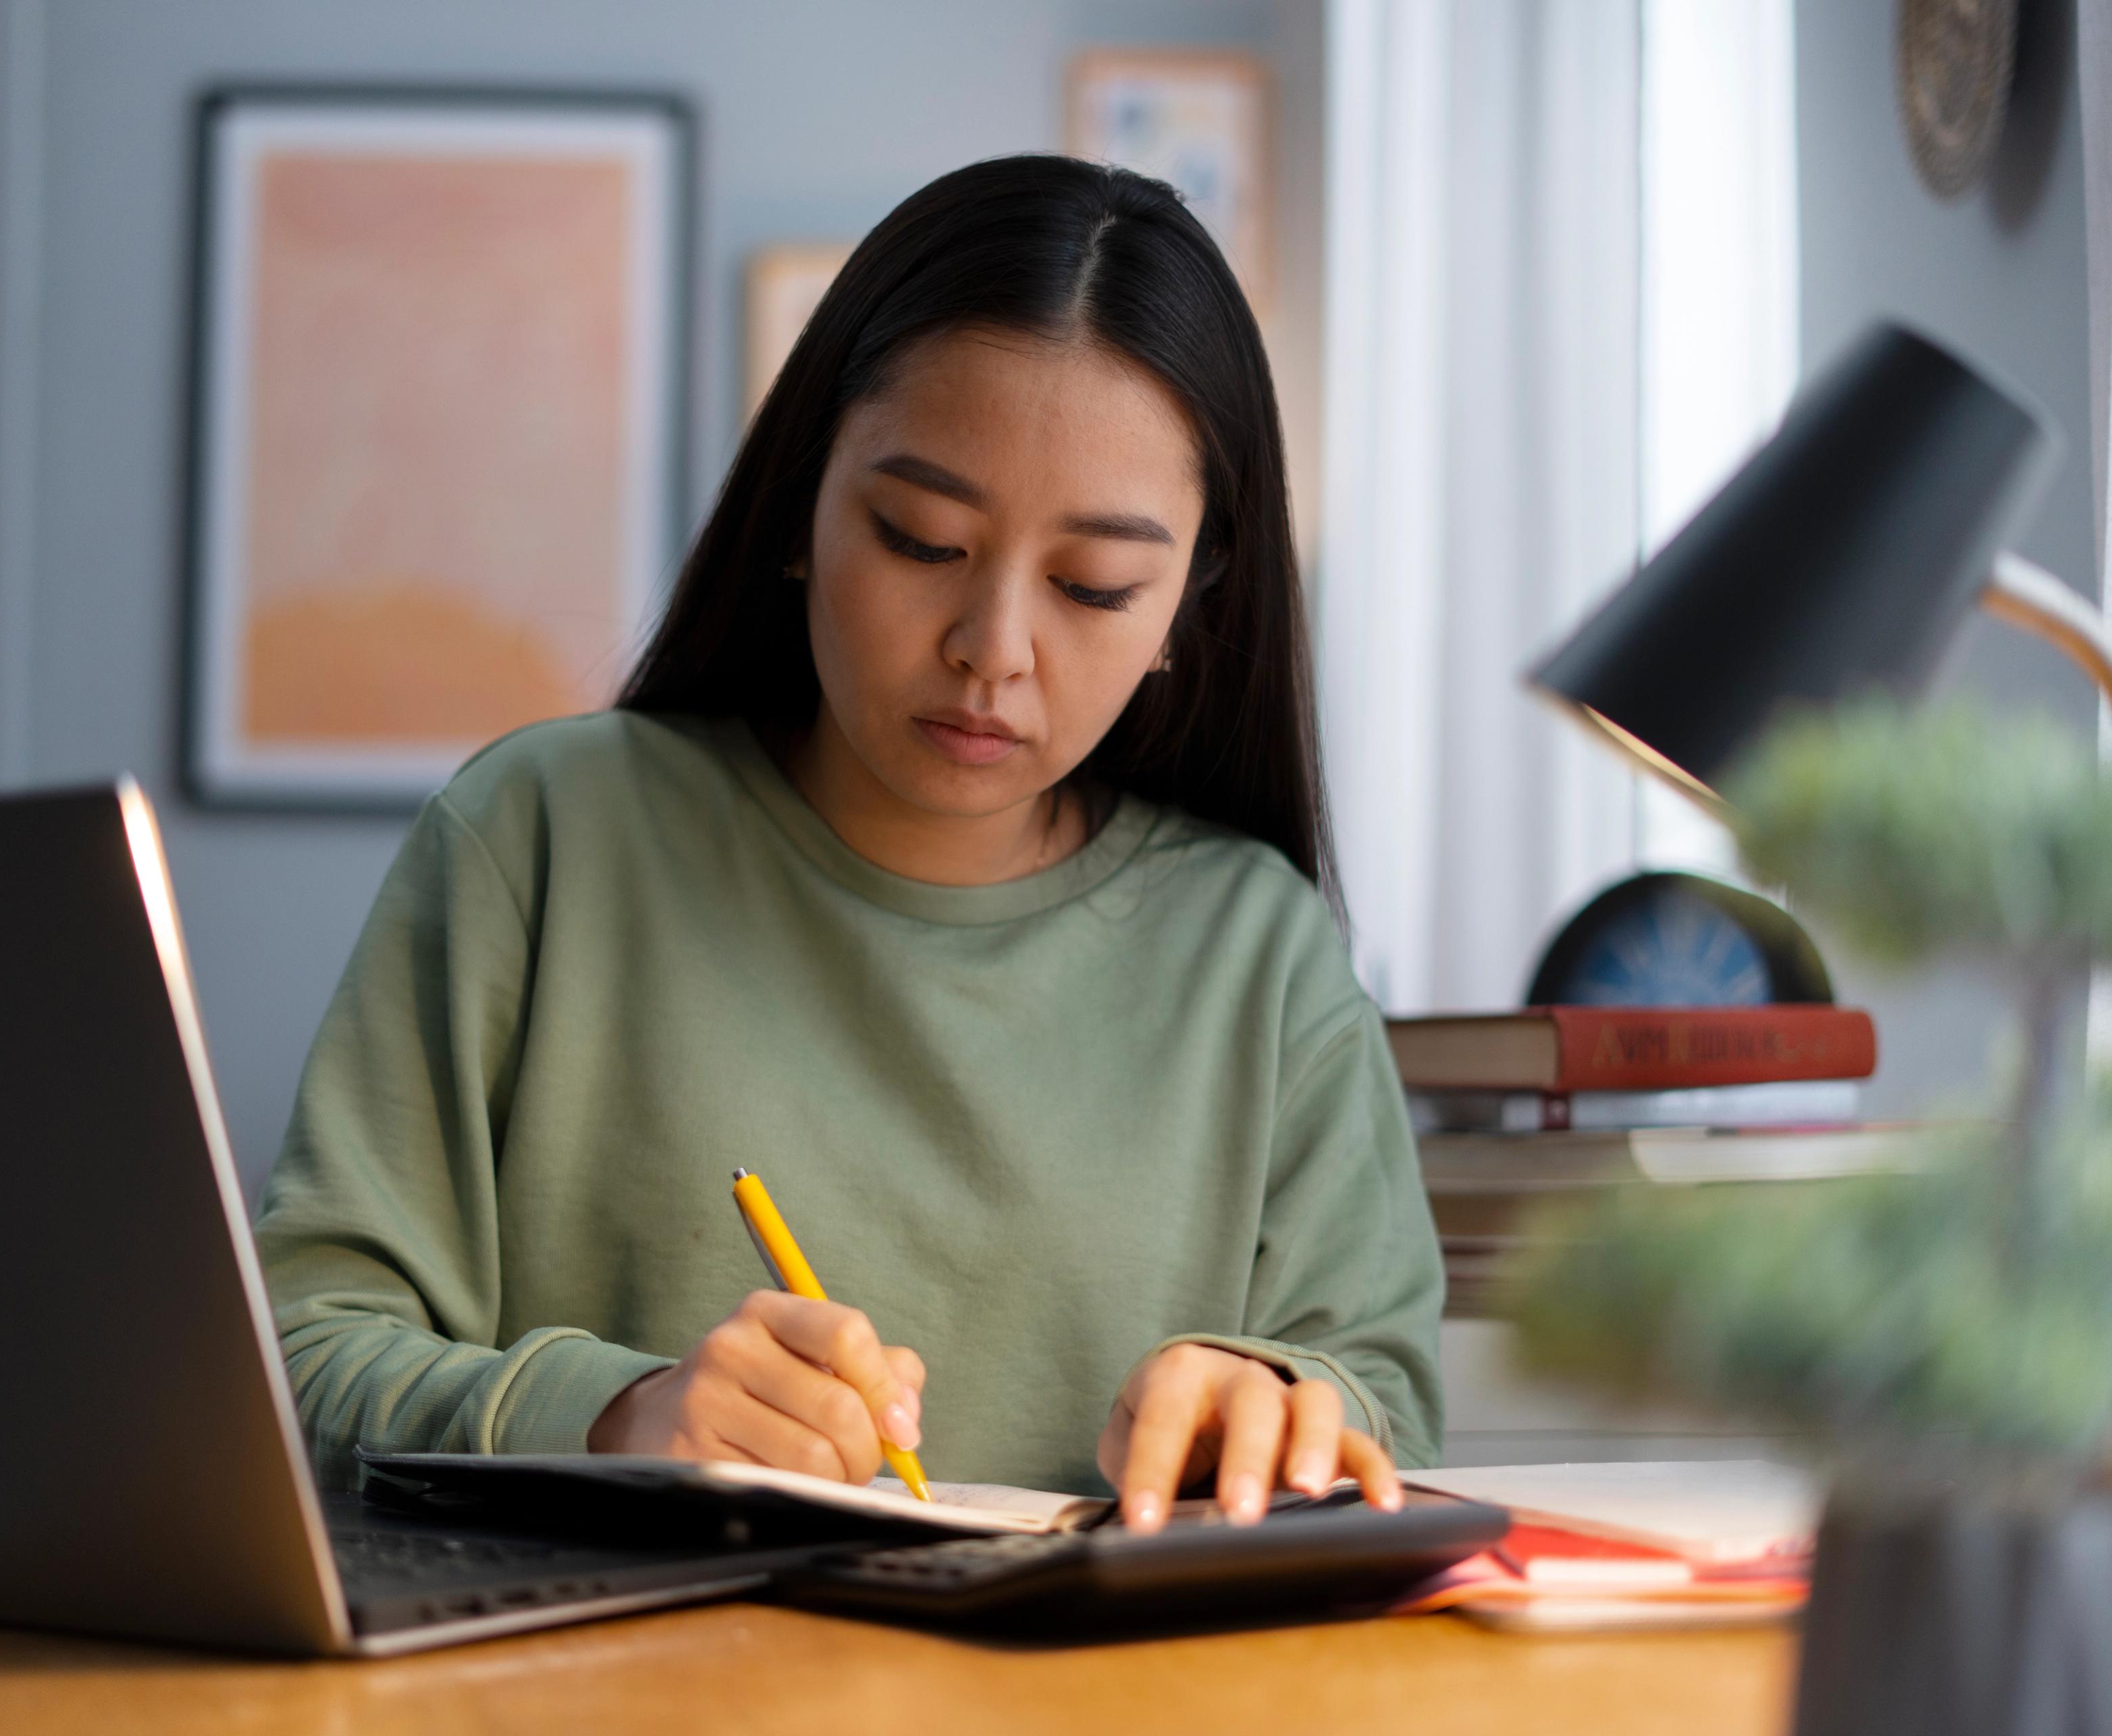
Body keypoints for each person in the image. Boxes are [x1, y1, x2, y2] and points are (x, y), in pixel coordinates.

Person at [254, 155, 1444, 1534]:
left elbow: (1385, 1404)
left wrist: (1280, 1399)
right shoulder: (545, 837)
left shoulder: (1259, 952)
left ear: (1188, 601)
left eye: (1093, 586)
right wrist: (617, 1413)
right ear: (804, 509)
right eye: (920, 537)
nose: (992, 651)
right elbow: (293, 1358)